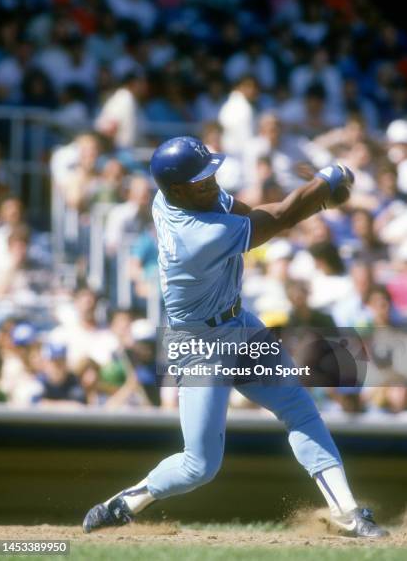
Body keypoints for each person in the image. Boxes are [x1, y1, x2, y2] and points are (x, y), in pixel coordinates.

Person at [83, 136, 387, 538]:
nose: (212, 183)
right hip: (199, 347)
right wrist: (328, 182)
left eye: (211, 174)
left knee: (299, 407)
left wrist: (316, 198)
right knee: (200, 466)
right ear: (176, 189)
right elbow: (278, 217)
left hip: (239, 326)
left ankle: (347, 512)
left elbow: (253, 212)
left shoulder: (182, 196)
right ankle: (126, 502)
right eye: (201, 179)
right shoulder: (197, 236)